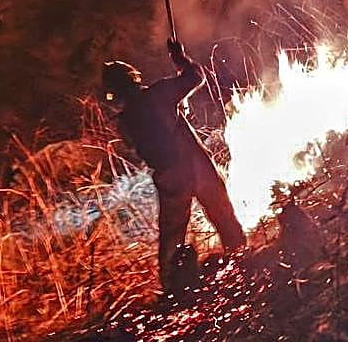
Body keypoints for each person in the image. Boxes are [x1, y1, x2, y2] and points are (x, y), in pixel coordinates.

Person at [102, 40, 245, 292]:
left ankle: (171, 286)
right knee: (223, 215)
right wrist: (181, 60)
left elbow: (139, 144)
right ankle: (242, 259)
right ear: (134, 79)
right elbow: (195, 77)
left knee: (171, 237)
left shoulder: (124, 122)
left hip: (169, 178)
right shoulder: (159, 94)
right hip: (196, 167)